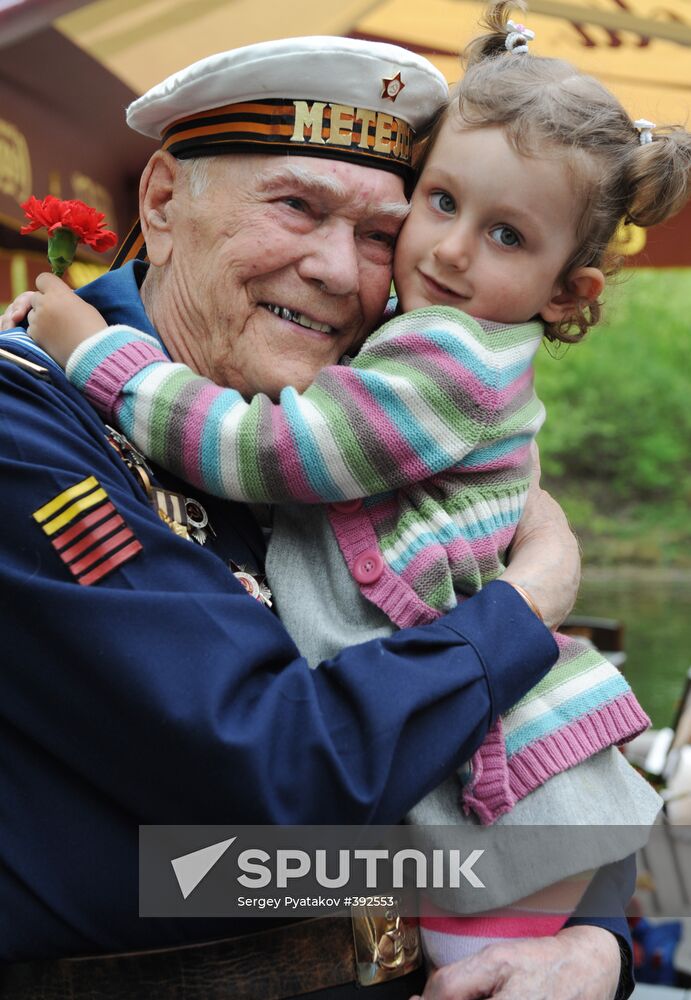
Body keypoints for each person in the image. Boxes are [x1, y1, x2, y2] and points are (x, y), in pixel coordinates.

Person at [20, 0, 681, 970]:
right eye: (296, 206)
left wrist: (588, 950)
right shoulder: (32, 425)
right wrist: (522, 607)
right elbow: (269, 795)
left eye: (379, 232)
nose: (339, 270)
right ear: (159, 202)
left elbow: (512, 783)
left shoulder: (339, 412)